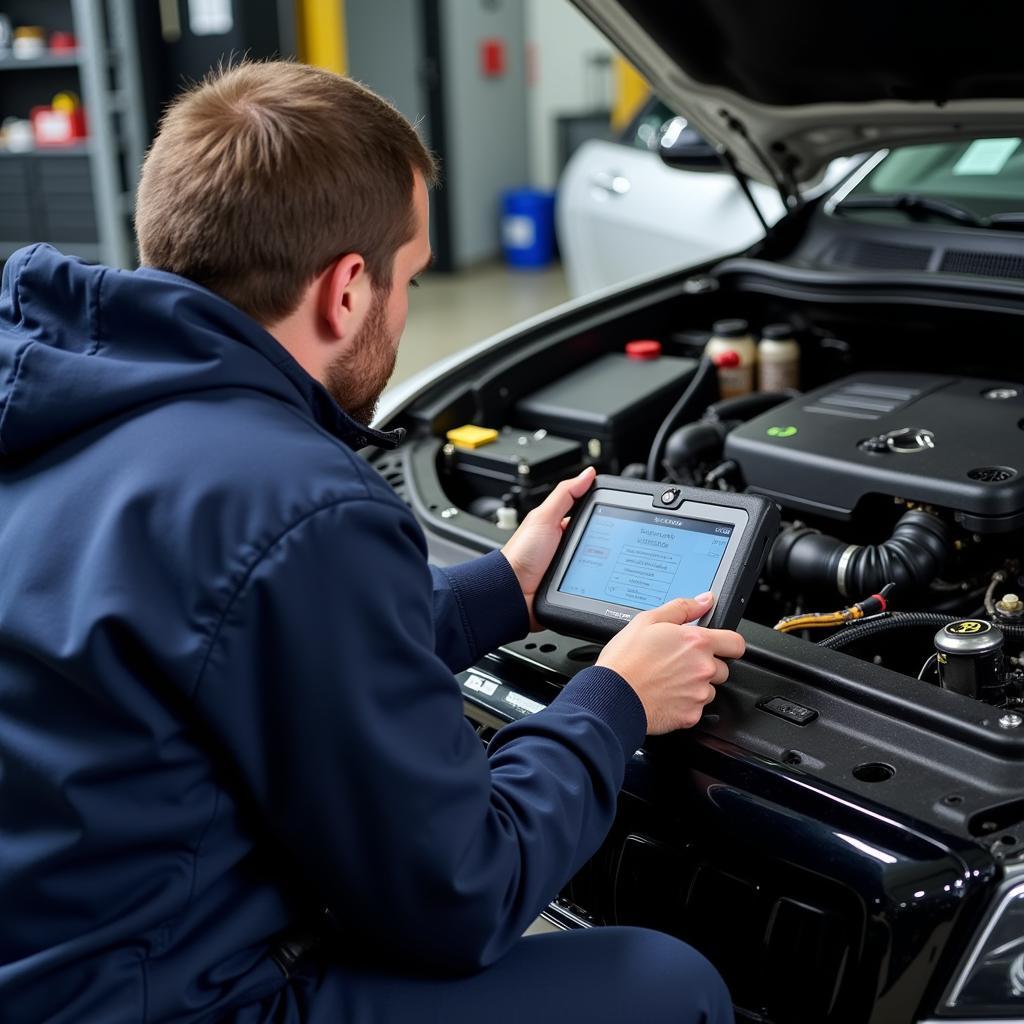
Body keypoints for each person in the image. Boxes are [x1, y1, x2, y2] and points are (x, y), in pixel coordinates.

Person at [0, 61, 742, 1023]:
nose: (406, 305)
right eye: (412, 277)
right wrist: (615, 702)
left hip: (52, 963)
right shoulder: (296, 497)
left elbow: (237, 641)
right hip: (169, 1003)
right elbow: (458, 897)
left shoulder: (60, 408)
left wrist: (502, 589)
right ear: (348, 289)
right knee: (665, 988)